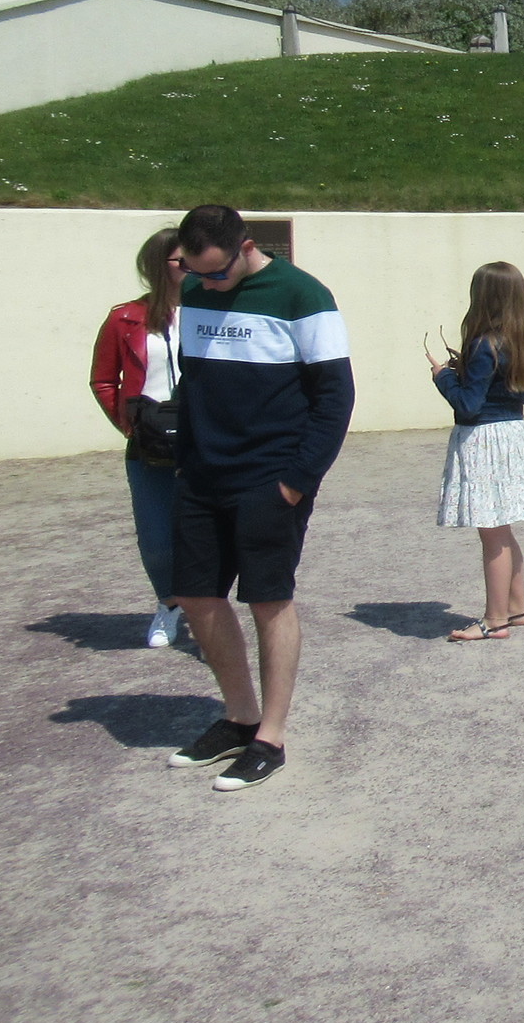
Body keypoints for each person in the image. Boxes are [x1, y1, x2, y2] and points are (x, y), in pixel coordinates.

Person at [164, 205, 355, 792]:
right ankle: (240, 717)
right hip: (202, 474)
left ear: (246, 247)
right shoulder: (195, 289)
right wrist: (184, 457)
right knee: (196, 594)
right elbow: (194, 379)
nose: (207, 283)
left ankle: (270, 737)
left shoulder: (302, 295)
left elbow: (335, 397)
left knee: (268, 600)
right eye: (195, 272)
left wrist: (296, 480)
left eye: (218, 272)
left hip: (271, 476)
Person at [428, 261, 524, 643]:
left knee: (492, 535)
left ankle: (495, 619)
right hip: (513, 436)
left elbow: (468, 405)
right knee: (503, 527)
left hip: (484, 441)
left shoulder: (484, 344)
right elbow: (521, 395)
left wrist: (444, 377)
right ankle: (518, 607)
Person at [89, 228, 191, 650]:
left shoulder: (216, 314)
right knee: (156, 538)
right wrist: (130, 424)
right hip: (150, 439)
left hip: (205, 436)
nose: (191, 266)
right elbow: (103, 380)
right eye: (181, 260)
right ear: (157, 265)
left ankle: (209, 610)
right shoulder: (125, 318)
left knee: (211, 532)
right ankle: (169, 603)